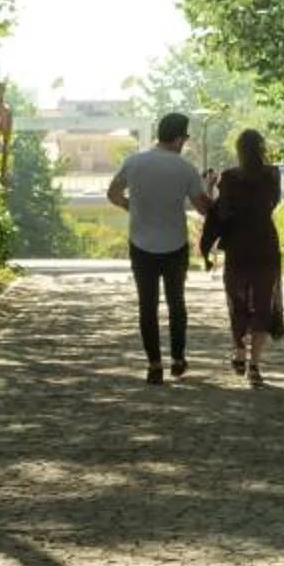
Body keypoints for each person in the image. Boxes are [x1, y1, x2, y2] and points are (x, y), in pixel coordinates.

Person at [107, 112, 208, 383]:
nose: (185, 143)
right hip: (175, 244)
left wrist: (130, 206)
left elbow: (112, 192)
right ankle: (177, 357)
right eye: (185, 138)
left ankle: (154, 364)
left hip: (141, 244)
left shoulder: (135, 163)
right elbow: (203, 208)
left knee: (147, 306)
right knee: (177, 303)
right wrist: (210, 188)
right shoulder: (185, 168)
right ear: (177, 139)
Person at [200, 127, 284, 385]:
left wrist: (210, 188)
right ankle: (255, 365)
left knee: (237, 303)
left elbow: (221, 214)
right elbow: (273, 203)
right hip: (265, 246)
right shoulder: (273, 175)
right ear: (261, 149)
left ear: (238, 150)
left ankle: (238, 350)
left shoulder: (230, 177)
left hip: (238, 248)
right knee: (262, 305)